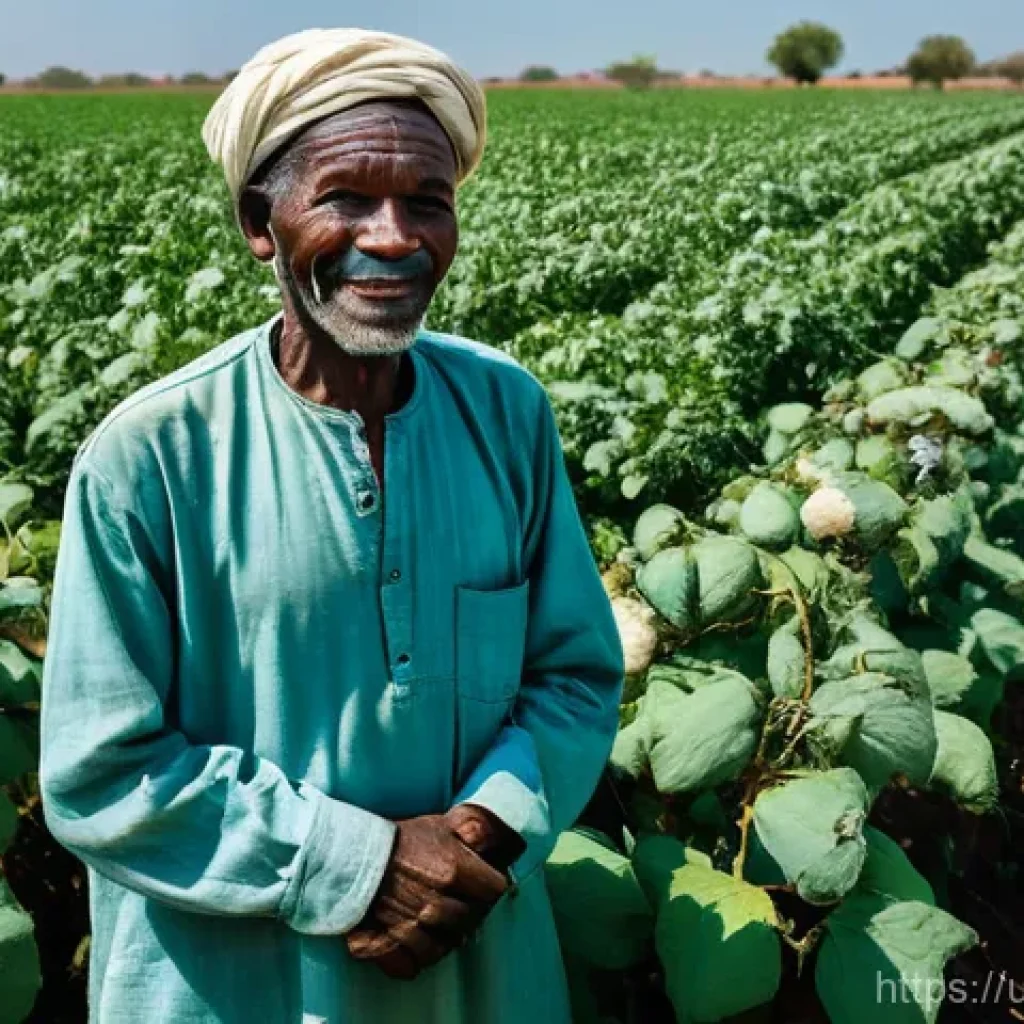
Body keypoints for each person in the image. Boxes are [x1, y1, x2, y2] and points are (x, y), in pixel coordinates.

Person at [39, 27, 624, 1024]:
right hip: (231, 988)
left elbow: (572, 675)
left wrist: (484, 826)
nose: (393, 237)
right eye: (347, 197)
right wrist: (357, 864)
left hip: (475, 967)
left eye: (427, 203)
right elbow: (103, 769)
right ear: (260, 223)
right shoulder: (151, 456)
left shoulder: (506, 413)